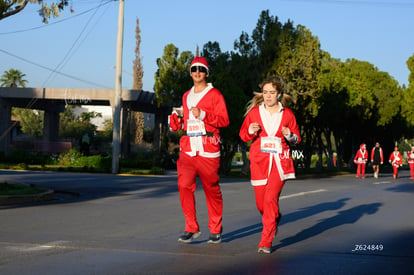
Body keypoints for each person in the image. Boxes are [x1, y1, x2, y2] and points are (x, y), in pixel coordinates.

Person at [168, 56, 229, 244]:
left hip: (208, 148)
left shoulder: (215, 95)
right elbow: (182, 124)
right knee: (184, 185)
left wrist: (203, 114)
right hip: (188, 149)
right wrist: (176, 118)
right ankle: (191, 228)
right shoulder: (186, 96)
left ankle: (216, 228)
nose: (197, 72)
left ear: (207, 73)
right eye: (194, 69)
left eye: (201, 69)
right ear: (190, 72)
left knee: (211, 189)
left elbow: (224, 120)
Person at [239, 75, 300, 254]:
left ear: (279, 94)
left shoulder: (287, 114)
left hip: (280, 163)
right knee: (261, 205)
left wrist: (289, 135)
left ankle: (266, 241)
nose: (268, 96)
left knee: (270, 200)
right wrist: (251, 130)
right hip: (259, 162)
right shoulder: (255, 113)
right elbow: (243, 135)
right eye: (265, 92)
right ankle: (274, 217)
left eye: (272, 92)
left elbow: (296, 139)